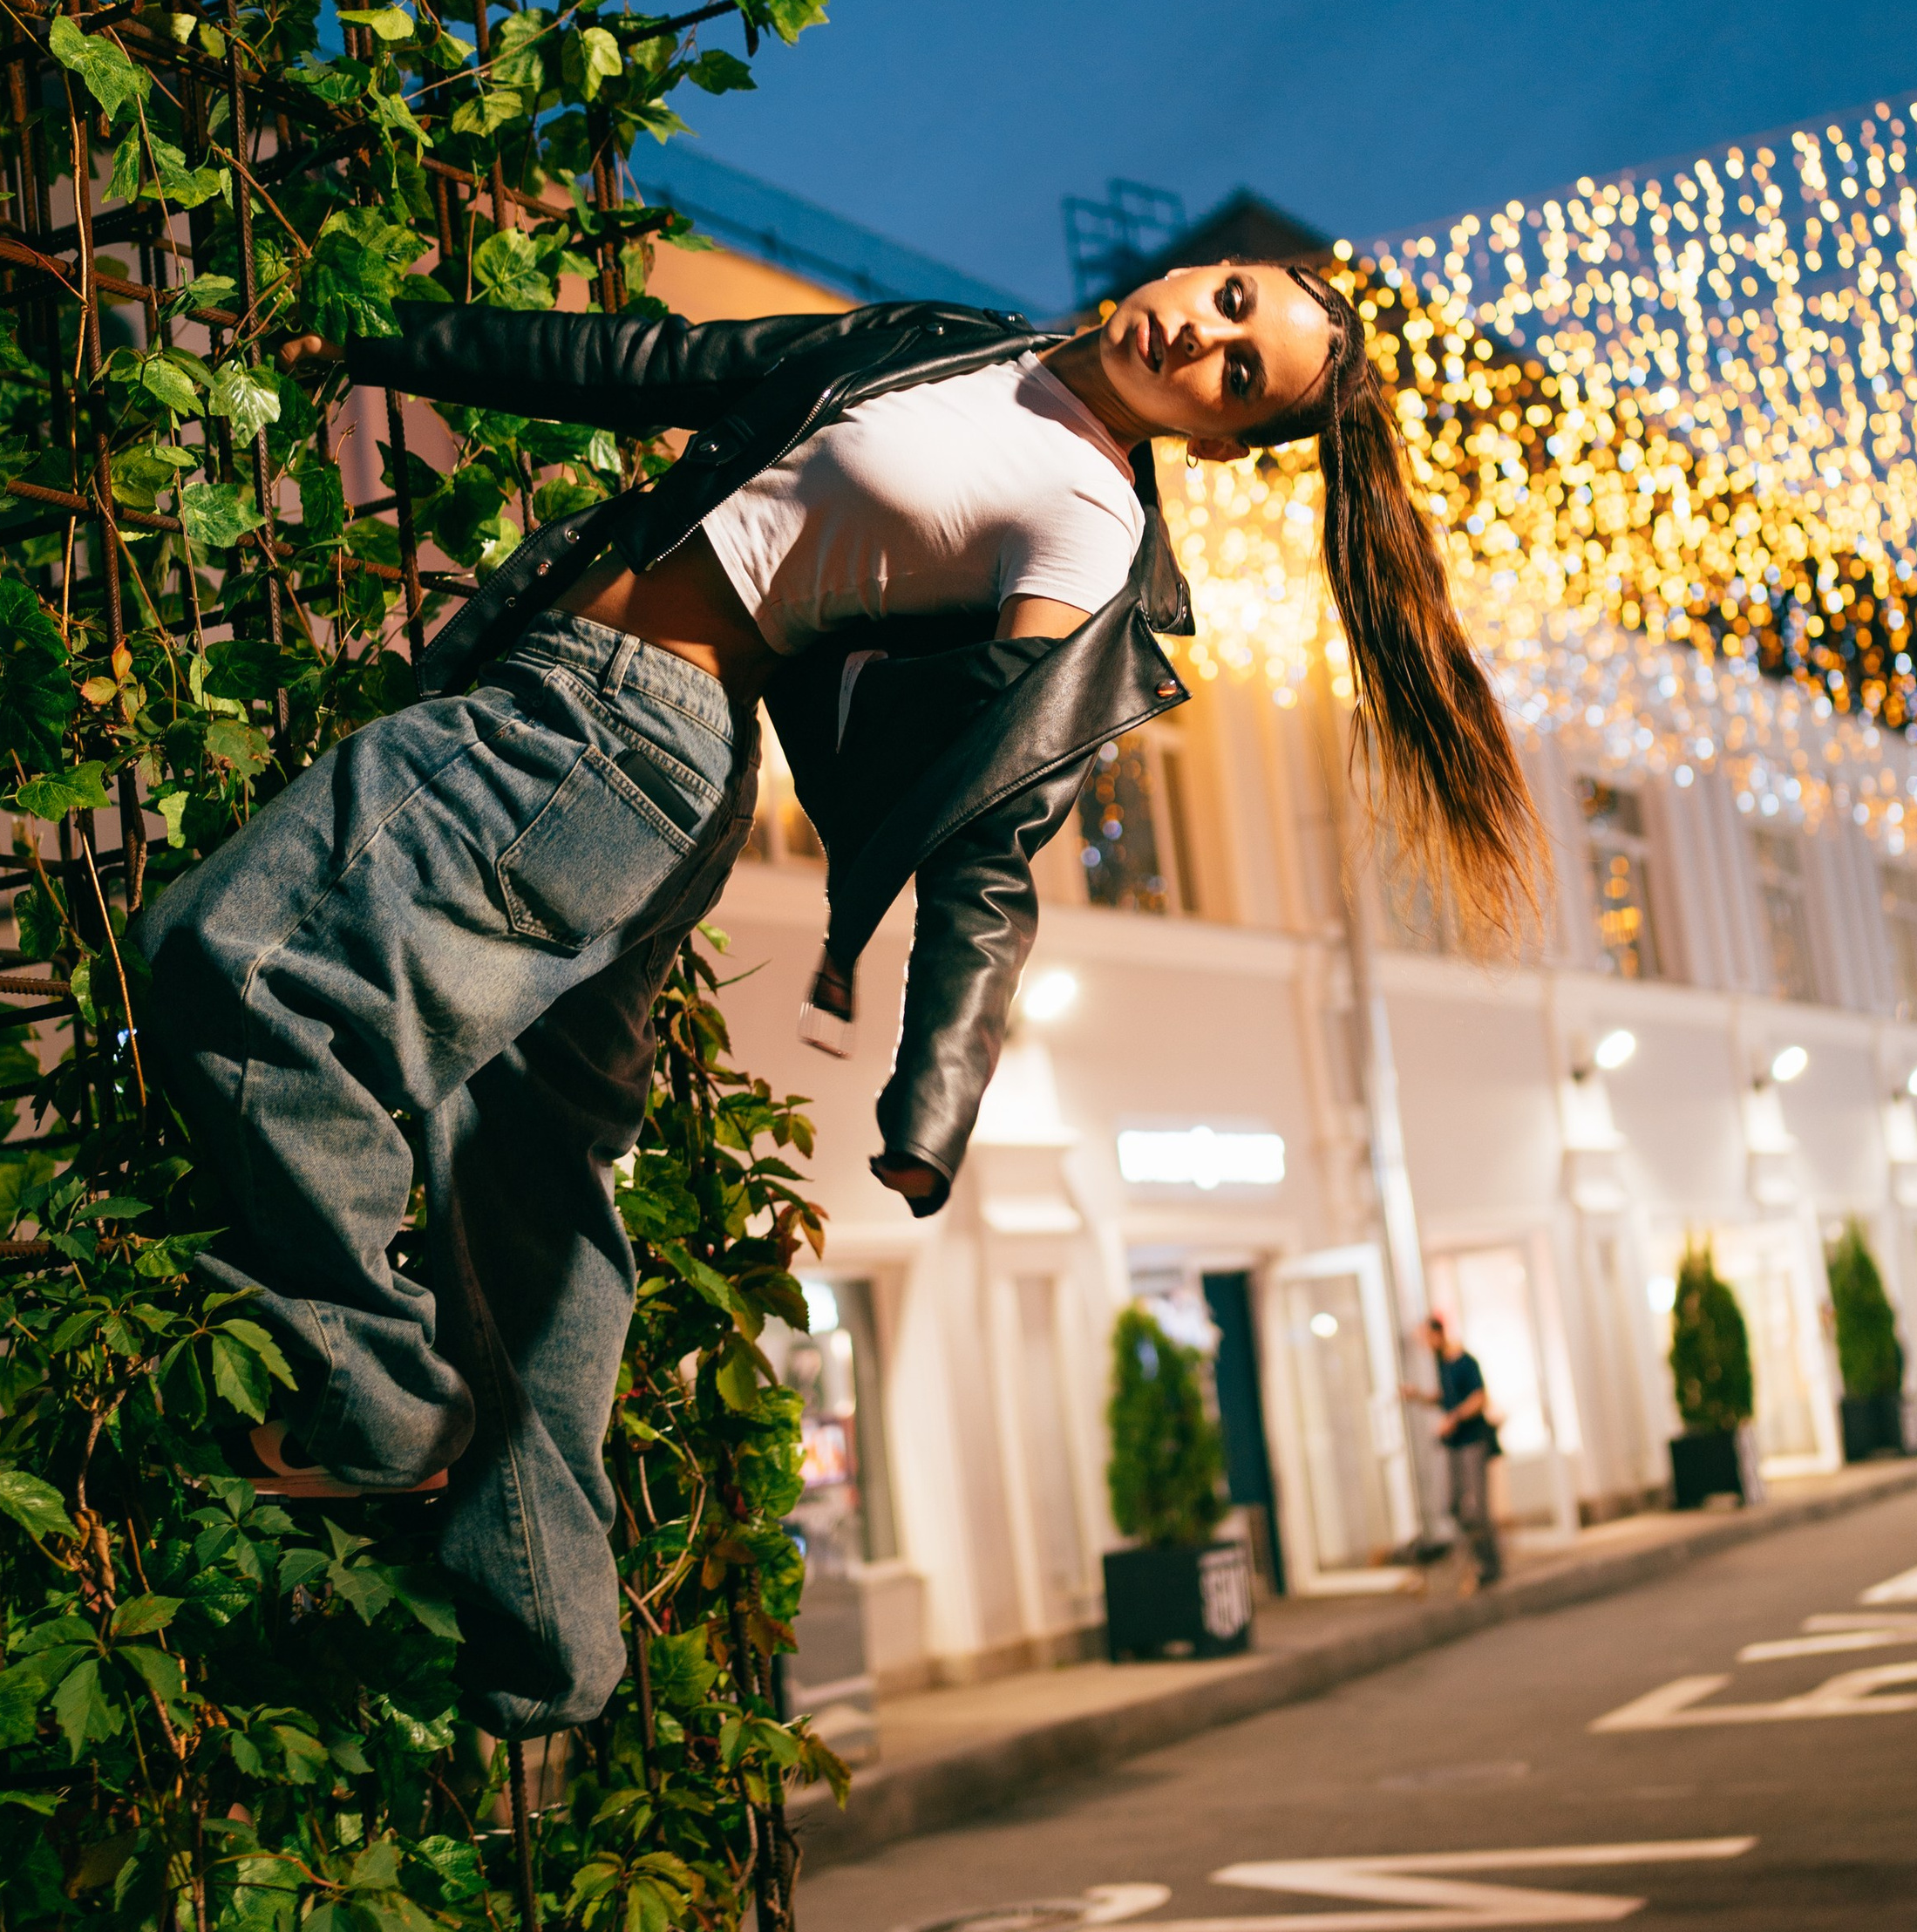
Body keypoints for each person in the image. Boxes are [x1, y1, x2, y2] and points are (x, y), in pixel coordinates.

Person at [139, 262, 1543, 1731]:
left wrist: (934, 1096)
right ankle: (544, 1632)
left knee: (238, 972)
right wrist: (382, 337)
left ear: (1223, 441)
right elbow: (658, 362)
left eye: (1237, 375)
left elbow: (995, 840)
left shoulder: (1086, 518)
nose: (1203, 334)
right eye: (1233, 303)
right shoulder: (958, 346)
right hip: (626, 749)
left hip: (608, 741)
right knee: (522, 1185)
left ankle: (367, 1390)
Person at [1425, 1311, 1501, 1589]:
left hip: (1472, 1441)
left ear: (1439, 1334)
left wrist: (1454, 1418)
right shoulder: (1441, 1365)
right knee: (1453, 1506)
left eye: (1428, 1337)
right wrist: (1418, 1396)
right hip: (1454, 1445)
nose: (1426, 1344)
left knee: (1478, 1509)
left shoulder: (1466, 1362)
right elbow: (1445, 1398)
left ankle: (1490, 1564)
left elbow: (1479, 1399)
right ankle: (1478, 1558)